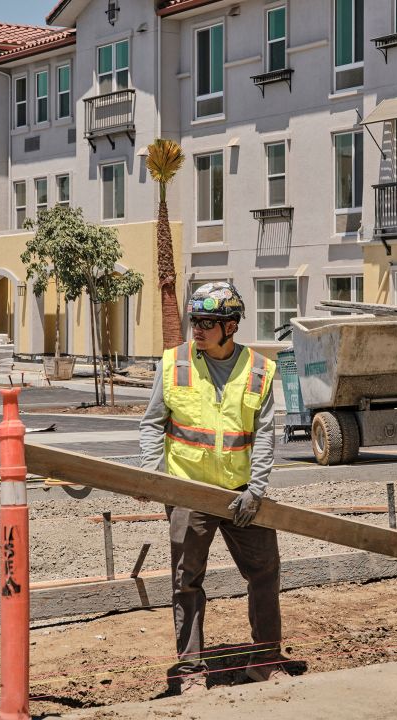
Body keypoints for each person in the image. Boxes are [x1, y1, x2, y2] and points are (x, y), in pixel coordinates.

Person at [138, 282, 284, 695]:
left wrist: (255, 490)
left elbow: (265, 435)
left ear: (230, 326)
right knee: (187, 580)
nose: (196, 329)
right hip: (188, 491)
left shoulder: (260, 370)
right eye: (193, 321)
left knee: (265, 574)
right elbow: (152, 423)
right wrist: (155, 476)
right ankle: (190, 671)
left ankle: (267, 659)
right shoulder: (174, 363)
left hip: (241, 492)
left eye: (206, 322)